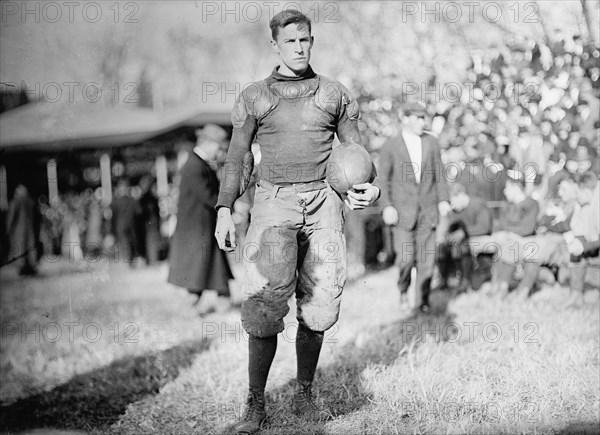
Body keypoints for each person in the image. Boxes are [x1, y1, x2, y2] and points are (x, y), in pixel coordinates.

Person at [213, 10, 380, 434]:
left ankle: (305, 390)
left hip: (324, 201)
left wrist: (369, 188)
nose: (300, 47)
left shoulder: (333, 94)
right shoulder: (255, 97)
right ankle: (255, 401)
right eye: (291, 42)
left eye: (306, 40)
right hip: (273, 201)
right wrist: (223, 209)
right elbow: (237, 157)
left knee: (322, 301)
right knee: (265, 300)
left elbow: (355, 155)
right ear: (275, 46)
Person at [379, 102, 450, 313]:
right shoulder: (390, 145)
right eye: (418, 118)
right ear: (405, 118)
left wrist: (444, 199)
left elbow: (440, 174)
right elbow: (383, 179)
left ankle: (422, 303)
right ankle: (403, 291)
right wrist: (386, 206)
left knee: (427, 261)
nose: (422, 122)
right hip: (402, 214)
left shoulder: (431, 143)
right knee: (406, 260)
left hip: (428, 212)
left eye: (424, 118)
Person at [168, 124, 233, 308]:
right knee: (200, 270)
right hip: (196, 229)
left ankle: (215, 299)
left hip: (202, 227)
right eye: (219, 147)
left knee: (205, 269)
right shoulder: (194, 165)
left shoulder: (198, 163)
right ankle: (204, 301)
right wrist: (227, 206)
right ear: (208, 144)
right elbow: (208, 196)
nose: (221, 152)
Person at [489, 171, 540, 296]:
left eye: (507, 187)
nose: (505, 191)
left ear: (515, 186)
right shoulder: (507, 206)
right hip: (508, 240)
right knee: (503, 243)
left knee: (510, 244)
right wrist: (506, 233)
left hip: (526, 241)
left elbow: (527, 228)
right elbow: (500, 225)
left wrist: (508, 233)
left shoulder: (532, 204)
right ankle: (497, 284)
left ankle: (502, 286)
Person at [437, 183, 492, 293]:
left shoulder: (478, 204)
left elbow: (484, 227)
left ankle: (465, 280)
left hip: (484, 238)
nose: (452, 206)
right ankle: (445, 280)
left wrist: (464, 232)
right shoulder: (456, 210)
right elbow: (451, 227)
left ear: (461, 195)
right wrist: (449, 235)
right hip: (465, 240)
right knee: (443, 246)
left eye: (453, 202)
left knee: (462, 246)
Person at [564, 172, 600, 304]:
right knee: (576, 252)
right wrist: (578, 243)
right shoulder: (582, 204)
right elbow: (578, 229)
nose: (576, 198)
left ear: (585, 190)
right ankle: (576, 296)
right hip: (594, 243)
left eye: (577, 194)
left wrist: (583, 246)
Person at [6, 184, 38, 275]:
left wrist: (8, 229)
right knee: (29, 248)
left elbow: (11, 217)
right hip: (29, 229)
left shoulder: (15, 202)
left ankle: (21, 268)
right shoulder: (30, 202)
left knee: (19, 248)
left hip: (18, 230)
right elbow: (35, 217)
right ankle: (30, 267)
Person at [110, 179, 141, 266]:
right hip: (131, 225)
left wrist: (112, 230)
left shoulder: (115, 202)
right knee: (132, 242)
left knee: (124, 244)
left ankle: (127, 261)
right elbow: (138, 213)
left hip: (120, 225)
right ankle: (131, 260)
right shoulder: (133, 201)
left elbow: (113, 217)